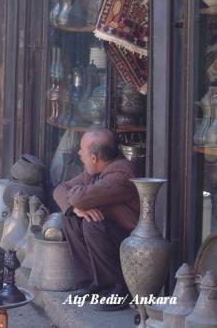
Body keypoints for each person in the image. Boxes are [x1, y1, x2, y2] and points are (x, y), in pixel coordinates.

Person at [53, 126, 139, 311]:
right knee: (71, 217)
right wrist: (75, 209)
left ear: (94, 158)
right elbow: (60, 189)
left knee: (93, 224)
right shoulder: (94, 170)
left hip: (131, 243)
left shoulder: (122, 174)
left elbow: (78, 198)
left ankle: (119, 288)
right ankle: (93, 283)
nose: (79, 153)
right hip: (113, 237)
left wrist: (79, 202)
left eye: (82, 150)